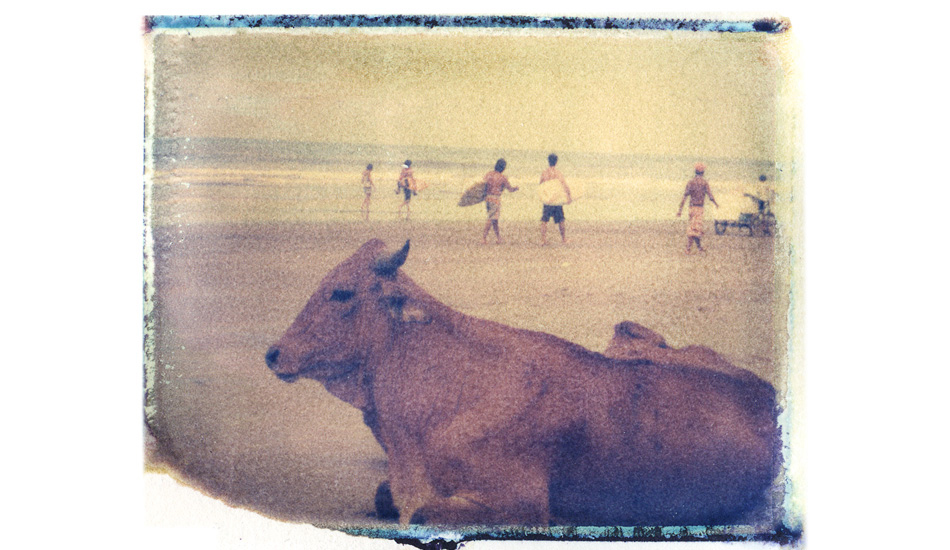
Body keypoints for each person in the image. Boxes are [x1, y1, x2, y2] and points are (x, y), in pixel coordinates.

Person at [676, 162, 719, 253]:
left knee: (695, 228)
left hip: (691, 208)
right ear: (703, 173)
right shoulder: (704, 183)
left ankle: (699, 248)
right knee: (695, 229)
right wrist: (716, 204)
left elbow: (684, 197)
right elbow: (710, 196)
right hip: (699, 208)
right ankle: (688, 249)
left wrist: (680, 210)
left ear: (695, 172)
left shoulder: (691, 182)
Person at [481, 158, 519, 244]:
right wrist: (515, 188)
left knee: (495, 219)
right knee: (491, 218)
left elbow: (482, 185)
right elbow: (510, 189)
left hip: (487, 198)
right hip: (495, 199)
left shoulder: (488, 174)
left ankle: (499, 238)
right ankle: (483, 238)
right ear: (503, 168)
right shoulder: (502, 177)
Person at [539, 153, 572, 245]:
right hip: (556, 200)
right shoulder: (558, 173)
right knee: (561, 220)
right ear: (556, 162)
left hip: (548, 200)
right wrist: (568, 196)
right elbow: (564, 185)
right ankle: (564, 239)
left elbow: (541, 185)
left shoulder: (544, 173)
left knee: (544, 220)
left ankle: (543, 240)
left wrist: (543, 196)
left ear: (548, 161)